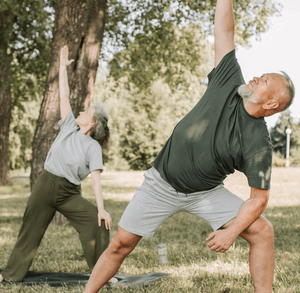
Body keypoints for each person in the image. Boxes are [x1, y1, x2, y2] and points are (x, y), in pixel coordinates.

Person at [83, 0, 295, 292]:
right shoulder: (228, 81)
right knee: (121, 244)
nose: (256, 77)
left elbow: (259, 199)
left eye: (264, 81)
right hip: (161, 183)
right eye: (260, 75)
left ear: (271, 103)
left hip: (205, 193)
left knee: (263, 232)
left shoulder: (259, 143)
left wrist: (231, 231)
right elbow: (224, 30)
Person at [0, 46, 113, 283]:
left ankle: (102, 273)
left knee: (97, 221)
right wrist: (61, 67)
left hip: (69, 193)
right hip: (46, 185)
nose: (81, 111)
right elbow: (63, 95)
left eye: (86, 111)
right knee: (30, 231)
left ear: (91, 123)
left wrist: (101, 208)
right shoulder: (70, 125)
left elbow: (95, 179)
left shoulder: (92, 147)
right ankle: (10, 275)